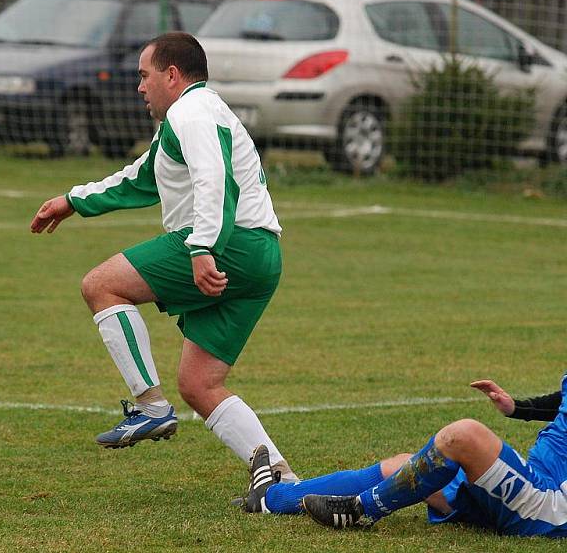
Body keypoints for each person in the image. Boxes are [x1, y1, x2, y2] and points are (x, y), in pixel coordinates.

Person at [30, 32, 296, 480]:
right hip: (261, 255)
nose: (139, 87)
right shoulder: (193, 114)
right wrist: (73, 201)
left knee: (101, 285)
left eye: (144, 75)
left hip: (230, 243)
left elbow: (216, 180)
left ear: (171, 75)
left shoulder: (192, 112)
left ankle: (149, 406)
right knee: (199, 384)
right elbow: (141, 178)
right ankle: (279, 480)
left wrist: (202, 247)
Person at [238, 374, 567, 539]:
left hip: (550, 505)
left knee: (465, 436)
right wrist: (518, 408)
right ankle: (270, 498)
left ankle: (362, 511)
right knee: (404, 466)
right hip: (533, 480)